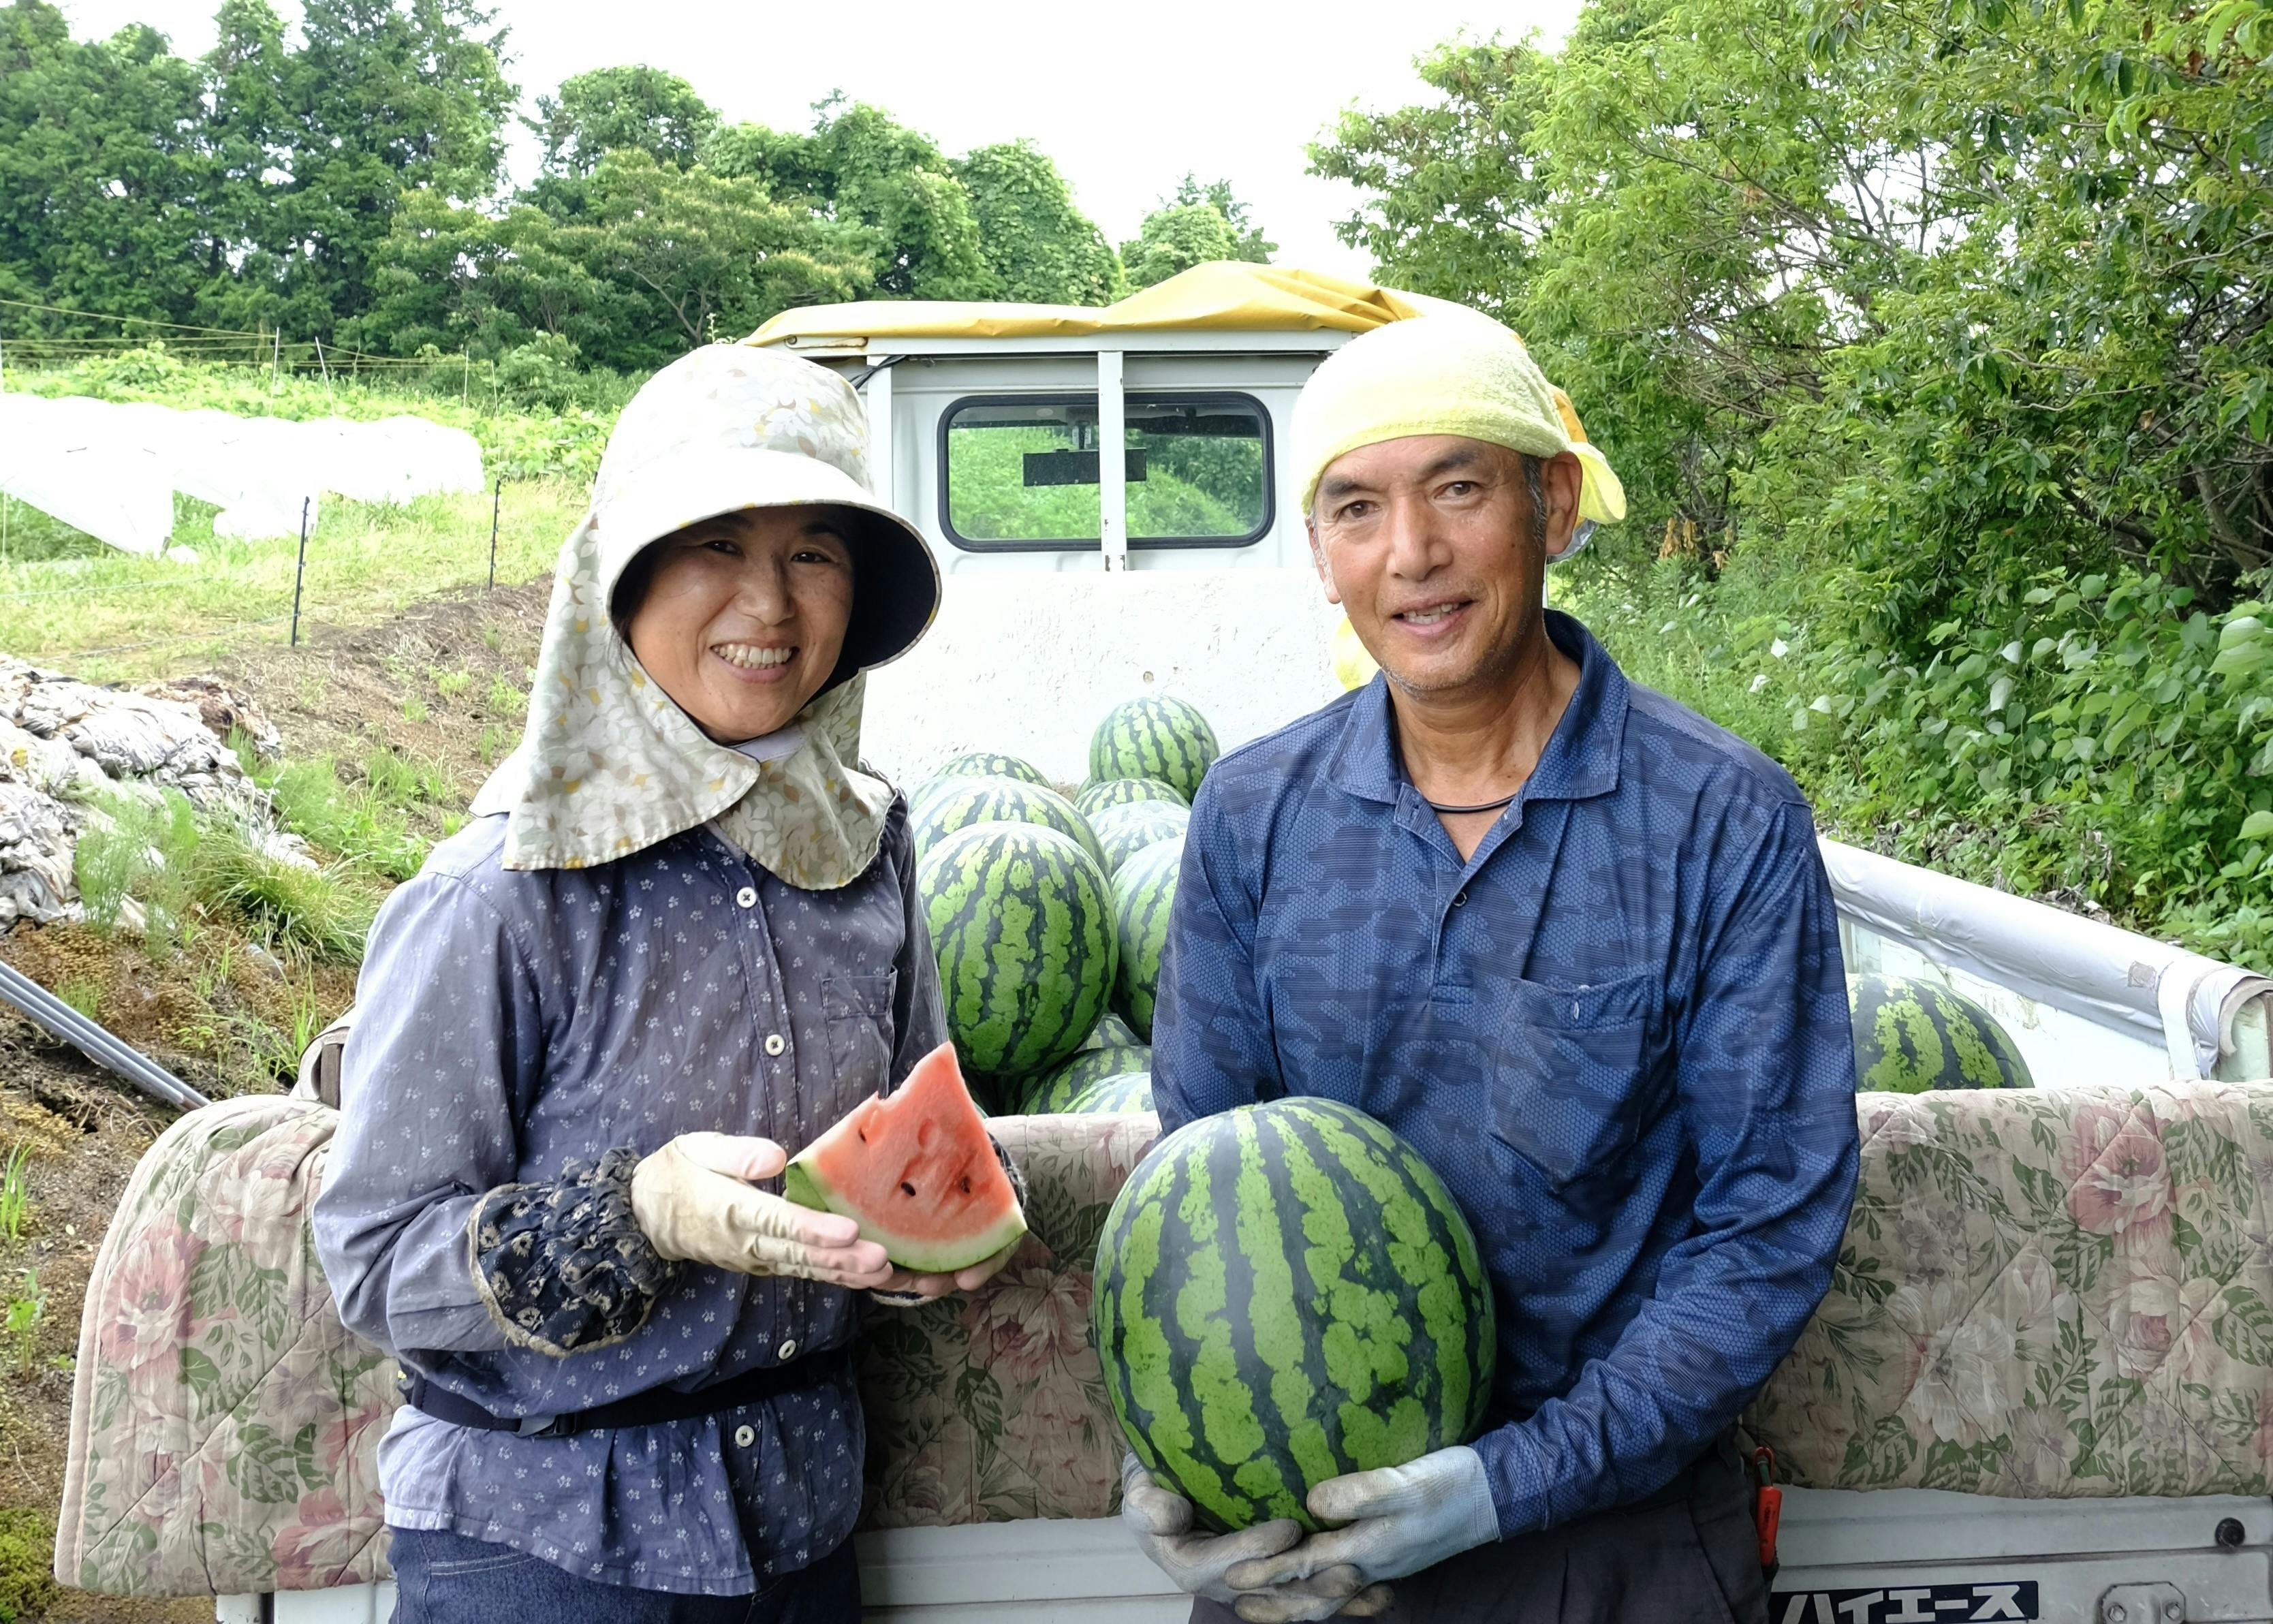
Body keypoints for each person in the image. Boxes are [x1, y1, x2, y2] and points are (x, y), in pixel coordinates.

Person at [1124, 312, 1861, 1623]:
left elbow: (1763, 1228)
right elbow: (1199, 1177)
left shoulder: (1723, 819)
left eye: (1457, 488)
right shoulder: (1249, 816)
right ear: (1320, 553)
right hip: (1309, 1544)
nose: (1410, 554)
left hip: (1618, 1543)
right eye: (1357, 508)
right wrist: (1166, 1461)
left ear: (1552, 504)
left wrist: (1507, 1483)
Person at [312, 345, 1015, 1623]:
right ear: (618, 581)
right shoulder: (502, 890)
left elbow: (919, 1118)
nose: (771, 605)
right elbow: (372, 1260)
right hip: (543, 1547)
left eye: (814, 552)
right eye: (715, 547)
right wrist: (634, 1219)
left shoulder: (867, 851)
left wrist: (918, 1239)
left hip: (800, 1530)